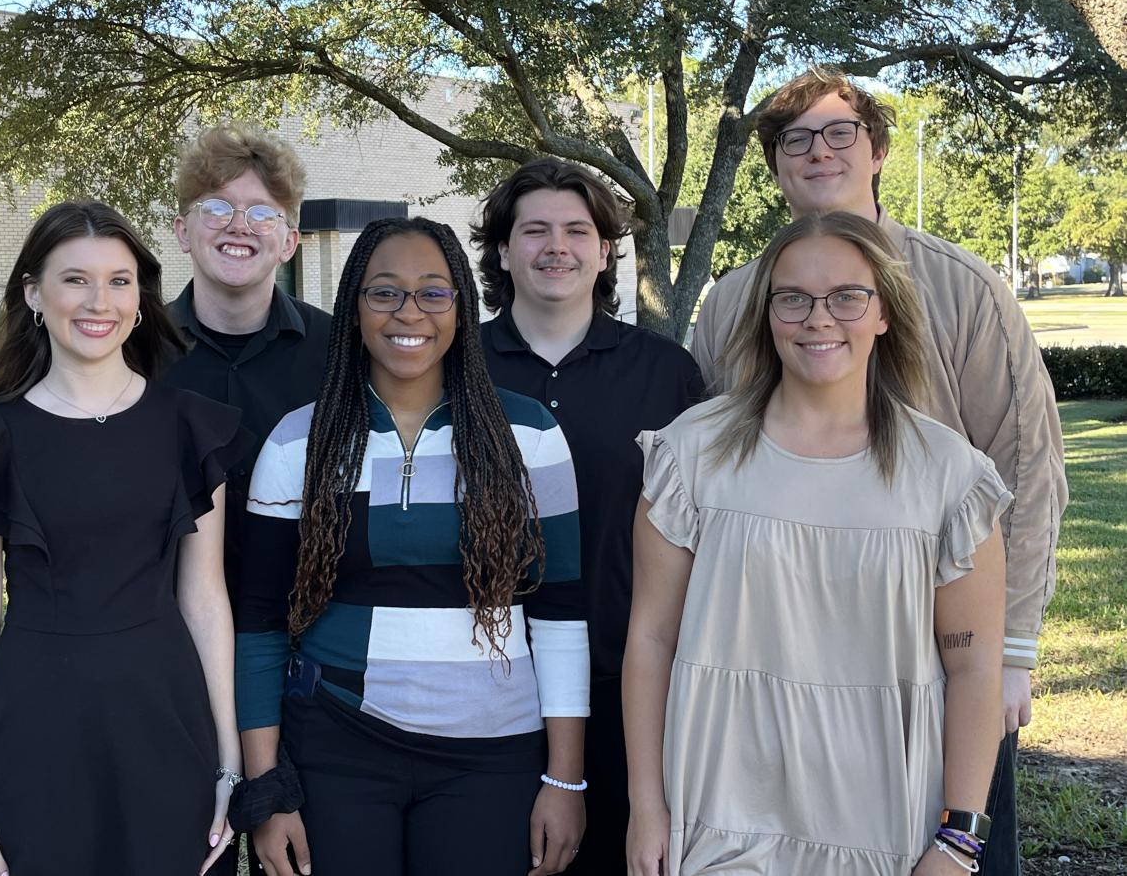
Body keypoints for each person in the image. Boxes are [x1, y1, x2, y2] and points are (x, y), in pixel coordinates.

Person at [691, 67, 1067, 873]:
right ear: (777, 165)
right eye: (796, 139)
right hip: (784, 657)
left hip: (933, 653)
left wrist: (1012, 652)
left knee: (950, 853)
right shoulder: (731, 304)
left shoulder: (961, 288)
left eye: (839, 133)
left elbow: (1026, 467)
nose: (818, 152)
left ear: (879, 151)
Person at [627, 211, 1011, 875]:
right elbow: (651, 639)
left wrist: (960, 840)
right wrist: (646, 805)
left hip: (886, 819)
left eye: (846, 296)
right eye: (793, 298)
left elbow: (975, 669)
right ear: (767, 312)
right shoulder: (691, 457)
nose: (818, 317)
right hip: (719, 814)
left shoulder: (949, 476)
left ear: (883, 312)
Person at [233, 217, 590, 876]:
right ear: (353, 308)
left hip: (492, 754)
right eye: (384, 292)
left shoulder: (530, 434)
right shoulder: (295, 442)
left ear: (462, 306)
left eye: (433, 292)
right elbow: (258, 624)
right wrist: (267, 787)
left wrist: (566, 779)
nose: (409, 312)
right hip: (336, 745)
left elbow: (560, 613)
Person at [0, 201, 248, 876]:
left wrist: (230, 763)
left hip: (166, 718)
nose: (100, 300)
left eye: (120, 280)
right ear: (34, 293)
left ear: (140, 297)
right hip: (36, 721)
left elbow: (207, 600)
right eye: (75, 279)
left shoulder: (190, 427)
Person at [475, 157, 703, 875]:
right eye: (534, 229)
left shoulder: (666, 372)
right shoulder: (456, 367)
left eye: (578, 230)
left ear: (605, 251)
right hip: (485, 687)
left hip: (629, 685)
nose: (556, 246)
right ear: (503, 250)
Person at [161, 124, 332, 875]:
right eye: (217, 208)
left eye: (263, 212)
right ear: (181, 231)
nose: (240, 225)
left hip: (305, 653)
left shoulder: (338, 353)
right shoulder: (131, 351)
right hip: (164, 651)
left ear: (290, 240)